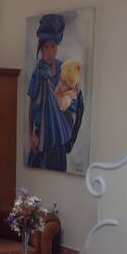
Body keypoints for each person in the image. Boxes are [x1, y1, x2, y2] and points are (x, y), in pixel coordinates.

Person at [27, 14, 84, 172]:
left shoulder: (63, 69)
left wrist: (75, 92)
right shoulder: (38, 73)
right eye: (46, 47)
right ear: (41, 48)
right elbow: (31, 105)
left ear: (57, 46)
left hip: (59, 139)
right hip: (41, 138)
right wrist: (31, 136)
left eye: (53, 46)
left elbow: (71, 103)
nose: (50, 52)